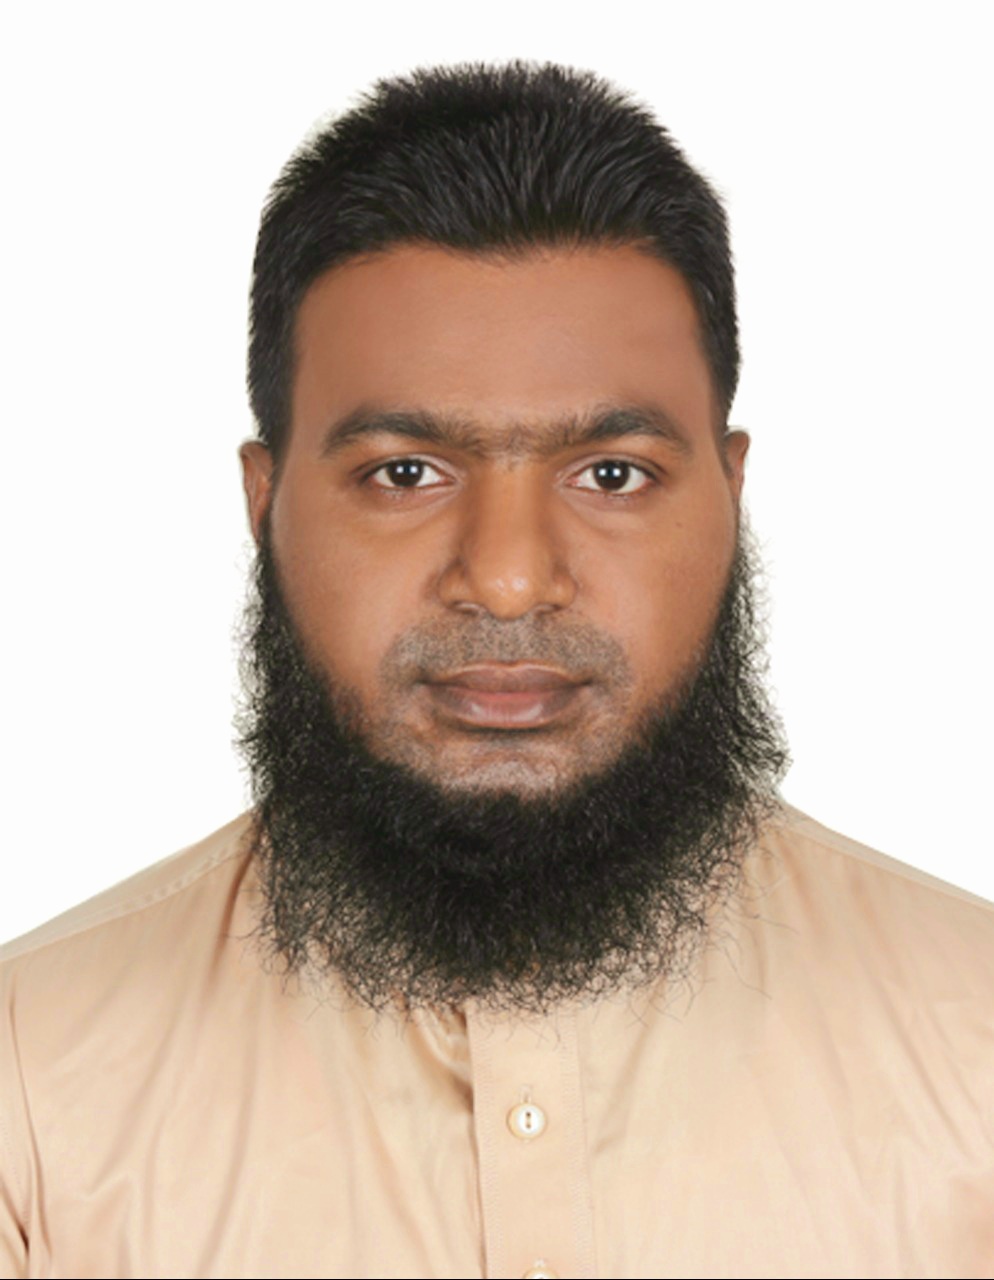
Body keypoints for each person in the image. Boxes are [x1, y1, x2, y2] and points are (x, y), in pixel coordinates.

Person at [1, 61, 991, 1280]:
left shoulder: (979, 1051)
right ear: (265, 505)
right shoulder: (27, 1082)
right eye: (405, 472)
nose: (511, 579)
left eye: (611, 473)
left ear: (732, 495)